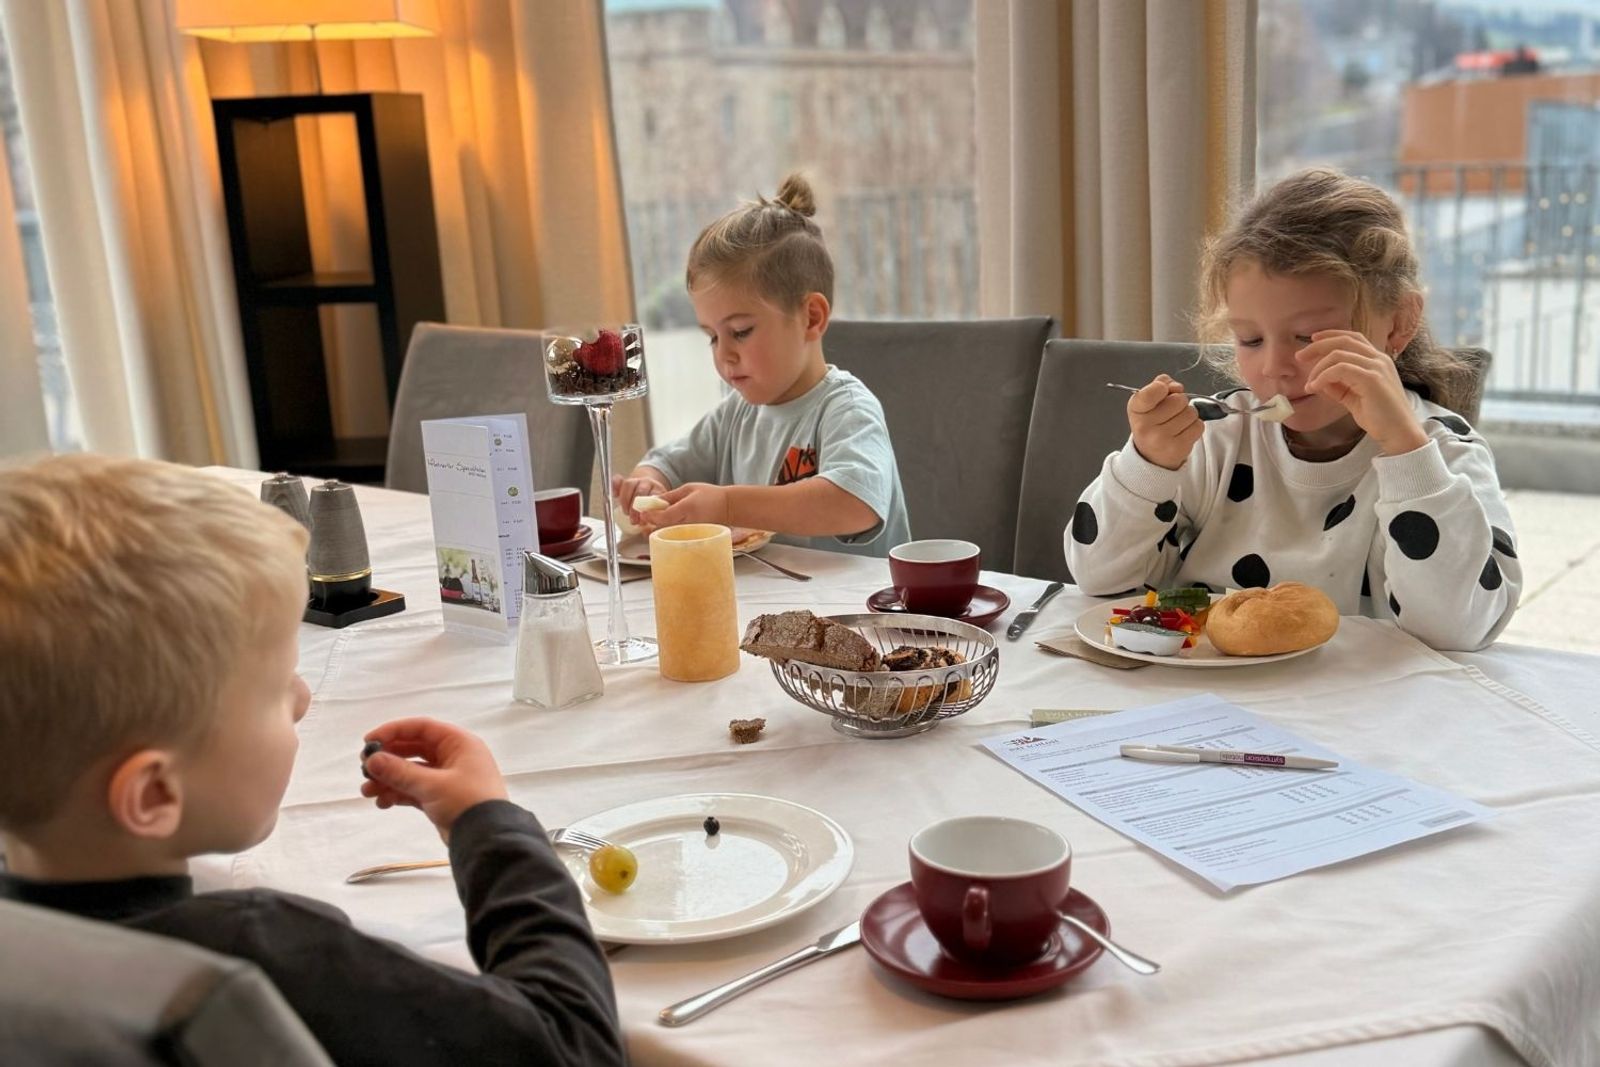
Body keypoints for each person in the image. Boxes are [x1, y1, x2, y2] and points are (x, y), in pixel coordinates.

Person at [0, 455, 624, 1066]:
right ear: (154, 796)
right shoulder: (266, 956)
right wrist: (490, 828)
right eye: (276, 688)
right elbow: (571, 1044)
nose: (302, 700)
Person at [1065, 168, 1520, 652]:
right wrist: (1148, 466)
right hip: (1201, 705)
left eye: (1307, 337)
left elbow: (1459, 630)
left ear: (1398, 324)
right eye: (1251, 339)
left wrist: (1407, 452)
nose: (1275, 367)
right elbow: (1101, 579)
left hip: (1361, 713)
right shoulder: (1212, 437)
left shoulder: (1444, 453)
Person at [614, 172, 911, 557]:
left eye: (740, 331)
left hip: (855, 611)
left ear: (811, 317)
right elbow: (667, 462)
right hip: (766, 608)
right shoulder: (736, 415)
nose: (723, 354)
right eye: (712, 336)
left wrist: (727, 505)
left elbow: (853, 503)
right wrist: (647, 483)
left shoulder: (845, 410)